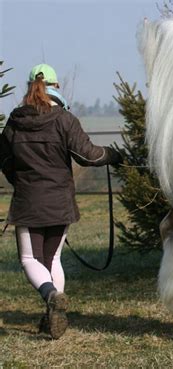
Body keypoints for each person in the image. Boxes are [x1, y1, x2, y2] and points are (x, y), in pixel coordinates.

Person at [0, 64, 122, 339]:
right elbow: (89, 156)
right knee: (52, 257)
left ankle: (51, 296)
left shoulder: (15, 122)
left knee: (30, 259)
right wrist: (113, 155)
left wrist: (19, 179)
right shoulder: (65, 120)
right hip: (60, 201)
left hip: (29, 201)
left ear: (30, 87)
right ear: (57, 88)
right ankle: (54, 312)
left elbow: (4, 160)